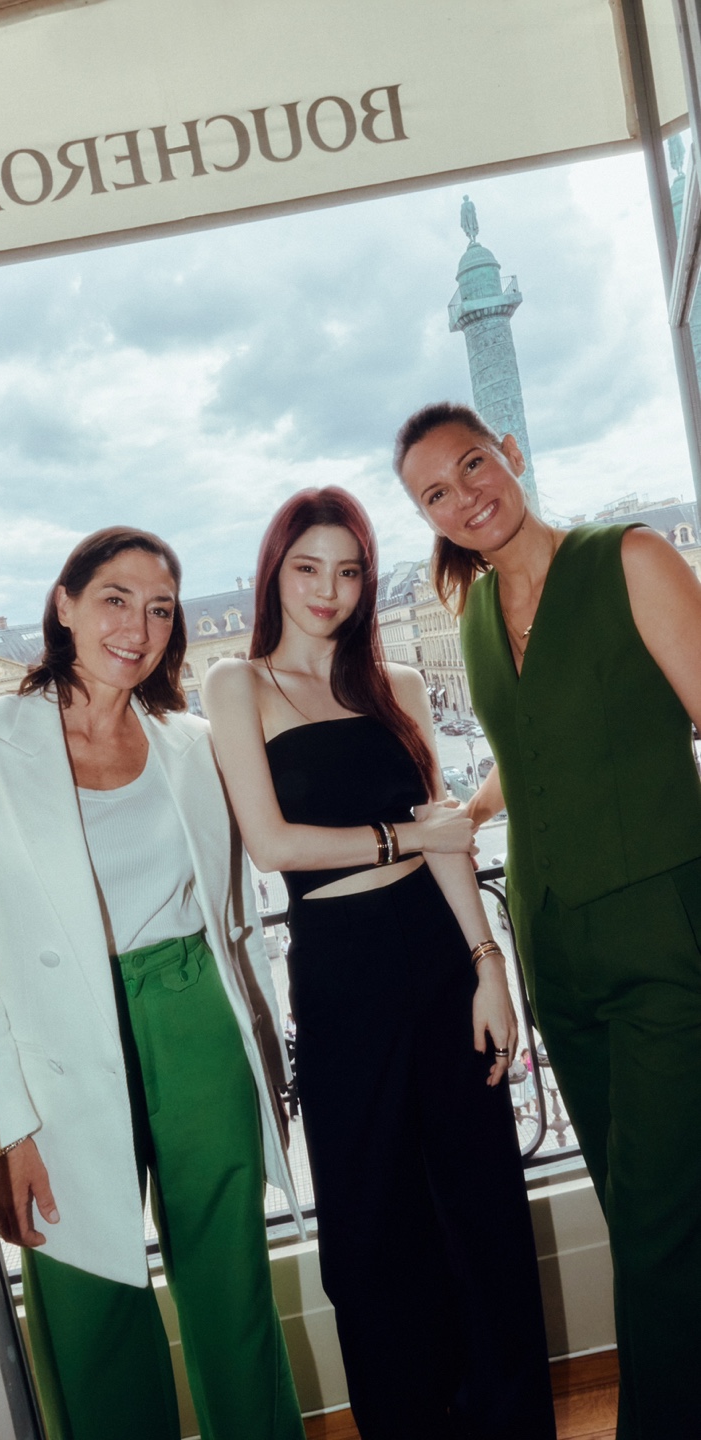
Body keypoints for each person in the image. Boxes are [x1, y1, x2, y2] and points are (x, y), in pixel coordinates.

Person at [0, 526, 306, 1440]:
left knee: (232, 1286)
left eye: (160, 610)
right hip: (55, 1044)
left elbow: (235, 912)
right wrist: (4, 1128)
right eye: (115, 600)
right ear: (65, 605)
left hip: (193, 1017)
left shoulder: (191, 742)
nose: (137, 628)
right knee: (86, 1303)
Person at [204, 488, 555, 1440]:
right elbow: (272, 845)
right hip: (341, 972)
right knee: (369, 1233)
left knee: (480, 1211)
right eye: (307, 567)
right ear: (274, 573)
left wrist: (488, 964)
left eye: (349, 570)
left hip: (439, 957)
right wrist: (403, 836)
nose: (328, 589)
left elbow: (448, 837)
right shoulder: (238, 685)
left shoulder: (397, 683)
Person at [395, 400, 701, 1440]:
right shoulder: (476, 613)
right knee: (635, 1207)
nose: (464, 496)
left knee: (660, 1226)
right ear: (427, 516)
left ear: (511, 454)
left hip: (665, 935)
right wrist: (465, 813)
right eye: (436, 493)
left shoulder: (629, 560)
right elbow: (527, 753)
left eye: (473, 465)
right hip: (554, 949)